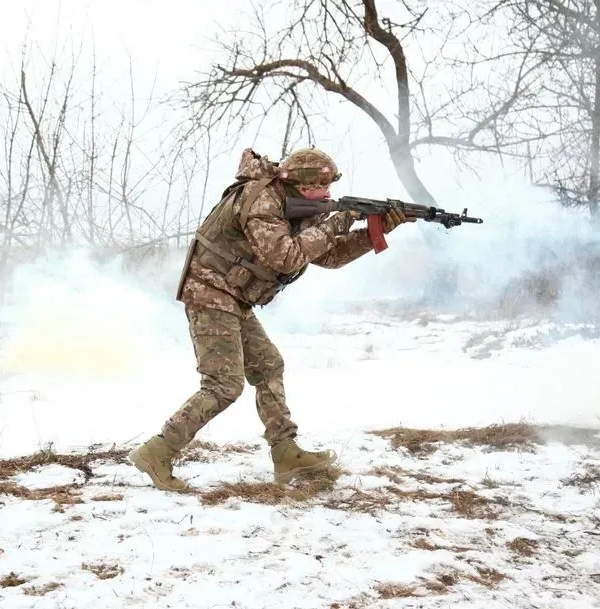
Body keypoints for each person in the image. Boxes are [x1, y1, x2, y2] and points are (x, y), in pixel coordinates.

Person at [128, 147, 412, 491]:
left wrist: (372, 234)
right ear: (304, 187)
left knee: (268, 365)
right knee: (223, 385)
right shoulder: (263, 201)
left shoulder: (292, 204)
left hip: (233, 296)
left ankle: (286, 452)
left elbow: (329, 254)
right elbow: (285, 256)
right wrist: (340, 220)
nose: (329, 195)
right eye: (323, 188)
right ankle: (157, 451)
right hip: (210, 292)